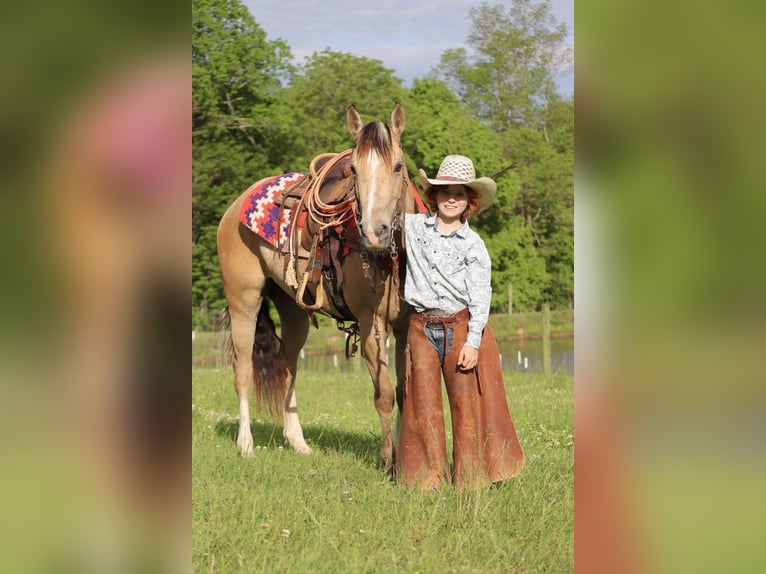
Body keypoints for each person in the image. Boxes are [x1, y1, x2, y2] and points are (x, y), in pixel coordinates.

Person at [395, 154, 525, 490]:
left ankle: (469, 479)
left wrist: (473, 342)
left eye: (459, 193)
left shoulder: (474, 245)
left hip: (460, 329)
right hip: (421, 329)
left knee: (466, 406)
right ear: (433, 196)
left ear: (469, 201)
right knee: (422, 405)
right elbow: (379, 209)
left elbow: (481, 297)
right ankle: (428, 479)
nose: (451, 198)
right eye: (444, 192)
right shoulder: (411, 228)